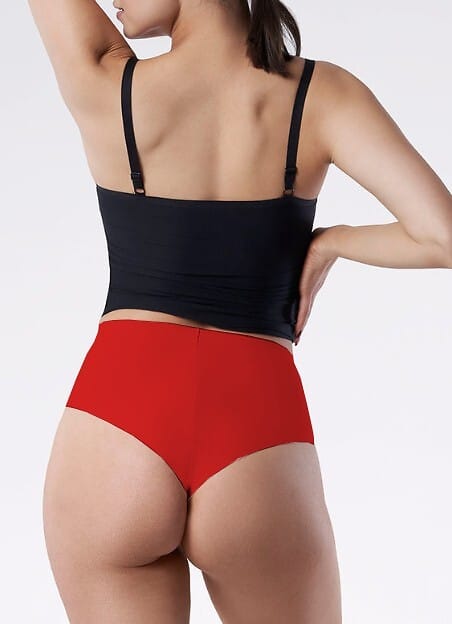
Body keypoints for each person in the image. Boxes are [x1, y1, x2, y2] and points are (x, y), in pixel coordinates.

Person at [28, 1, 452, 622]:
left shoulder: (105, 79)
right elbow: (443, 236)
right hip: (255, 430)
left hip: (115, 426)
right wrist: (332, 242)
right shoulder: (320, 95)